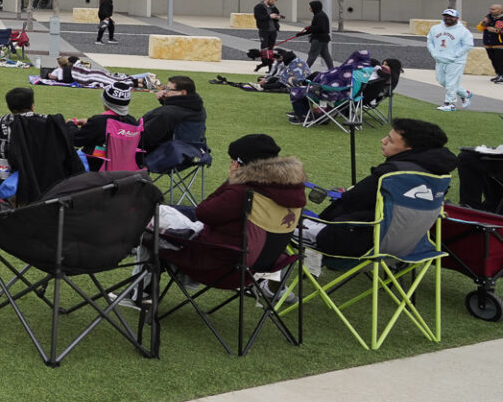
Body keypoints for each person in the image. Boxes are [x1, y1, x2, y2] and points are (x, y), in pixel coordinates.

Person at [302, 118, 456, 262]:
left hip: (365, 245)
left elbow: (351, 200)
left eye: (390, 140)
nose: (383, 140)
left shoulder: (393, 174)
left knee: (288, 223)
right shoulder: (440, 174)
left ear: (410, 148)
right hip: (413, 246)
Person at [161, 133, 307, 280]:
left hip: (223, 265)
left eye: (232, 162)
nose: (231, 166)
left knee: (153, 218)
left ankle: (145, 293)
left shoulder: (244, 192)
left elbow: (203, 213)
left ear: (240, 164)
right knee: (175, 212)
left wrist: (232, 181)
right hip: (265, 264)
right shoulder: (294, 190)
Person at [139, 75, 209, 169]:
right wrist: (165, 101)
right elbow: (180, 112)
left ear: (183, 92)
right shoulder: (198, 109)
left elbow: (144, 139)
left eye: (169, 89)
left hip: (163, 157)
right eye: (165, 88)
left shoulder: (167, 114)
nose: (165, 91)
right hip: (192, 153)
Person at [69, 80, 140, 161]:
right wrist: (89, 123)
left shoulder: (99, 122)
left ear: (105, 102)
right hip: (124, 167)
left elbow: (77, 140)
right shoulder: (133, 122)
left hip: (96, 166)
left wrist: (71, 125)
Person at [427, 8, 475, 111]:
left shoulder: (462, 31)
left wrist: (456, 55)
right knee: (441, 81)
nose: (448, 18)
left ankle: (450, 104)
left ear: (457, 18)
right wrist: (434, 53)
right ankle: (465, 94)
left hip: (456, 61)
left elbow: (468, 45)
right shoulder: (436, 28)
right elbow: (430, 41)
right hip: (440, 59)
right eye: (446, 16)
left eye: (451, 17)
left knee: (451, 82)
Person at [291, 0, 334, 71]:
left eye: (311, 7)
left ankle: (304, 71)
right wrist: (302, 33)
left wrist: (310, 28)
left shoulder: (319, 16)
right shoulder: (319, 14)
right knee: (326, 56)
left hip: (318, 39)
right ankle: (332, 70)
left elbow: (320, 28)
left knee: (312, 55)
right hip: (323, 39)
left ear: (315, 7)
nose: (309, 8)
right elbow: (315, 28)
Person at [481, 4, 503, 84]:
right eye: (490, 9)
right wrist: (484, 23)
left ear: (500, 10)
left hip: (499, 43)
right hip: (488, 42)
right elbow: (480, 28)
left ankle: (502, 75)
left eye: (494, 9)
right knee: (493, 59)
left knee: (500, 60)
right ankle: (498, 74)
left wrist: (496, 31)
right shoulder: (488, 17)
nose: (491, 11)